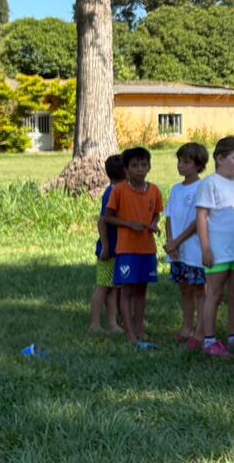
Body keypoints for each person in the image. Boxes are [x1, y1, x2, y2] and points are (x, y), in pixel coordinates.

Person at [194, 136, 234, 358]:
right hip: (218, 250)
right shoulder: (209, 184)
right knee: (215, 294)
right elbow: (201, 217)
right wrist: (206, 247)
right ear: (220, 158)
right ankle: (209, 339)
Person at [103, 147, 163, 348]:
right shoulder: (119, 190)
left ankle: (140, 328)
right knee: (127, 291)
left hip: (147, 249)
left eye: (143, 165)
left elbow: (156, 212)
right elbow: (108, 217)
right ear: (126, 170)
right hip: (127, 250)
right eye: (135, 166)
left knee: (141, 291)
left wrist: (154, 224)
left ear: (149, 167)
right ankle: (130, 334)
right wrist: (129, 224)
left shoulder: (154, 190)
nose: (140, 169)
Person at [164, 143, 209, 343]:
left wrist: (178, 241)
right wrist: (170, 242)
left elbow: (197, 222)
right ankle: (186, 327)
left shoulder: (203, 187)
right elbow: (169, 217)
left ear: (198, 165)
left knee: (200, 290)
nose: (180, 165)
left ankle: (202, 328)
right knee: (184, 289)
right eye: (179, 161)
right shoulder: (175, 189)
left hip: (194, 250)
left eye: (186, 162)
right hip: (177, 250)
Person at [89, 154, 126, 334]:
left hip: (116, 249)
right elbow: (103, 221)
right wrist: (105, 246)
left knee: (112, 288)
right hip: (108, 249)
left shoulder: (114, 190)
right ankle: (95, 324)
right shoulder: (114, 193)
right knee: (103, 288)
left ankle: (112, 323)